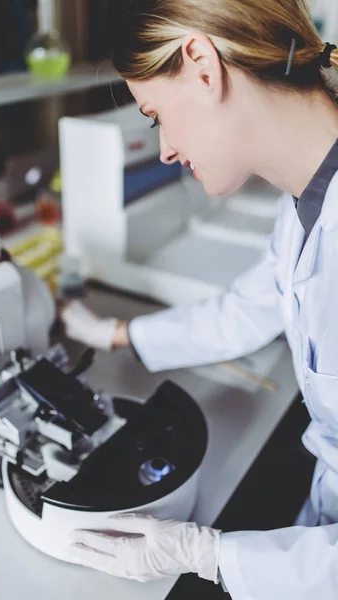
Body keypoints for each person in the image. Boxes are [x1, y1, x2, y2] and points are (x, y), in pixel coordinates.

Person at [62, 1, 338, 598]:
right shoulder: (309, 200)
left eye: (155, 113)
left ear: (201, 64)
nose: (162, 147)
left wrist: (206, 553)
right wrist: (116, 335)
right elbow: (248, 309)